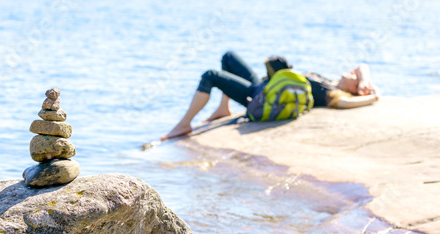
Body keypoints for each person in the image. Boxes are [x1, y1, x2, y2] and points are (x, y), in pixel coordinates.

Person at [161, 51, 379, 140]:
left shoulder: (330, 92)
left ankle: (184, 124)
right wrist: (363, 81)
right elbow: (363, 65)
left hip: (257, 97)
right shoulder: (330, 81)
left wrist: (369, 95)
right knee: (228, 57)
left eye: (353, 77)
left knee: (210, 76)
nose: (351, 72)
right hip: (262, 87)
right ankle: (222, 109)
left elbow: (344, 104)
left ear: (351, 89)